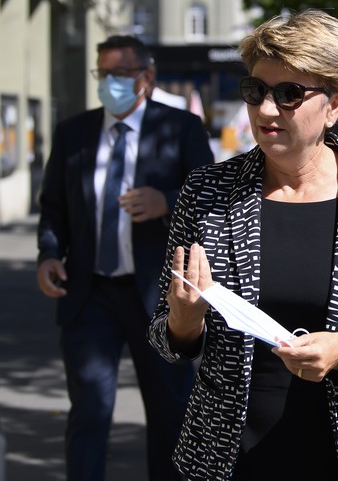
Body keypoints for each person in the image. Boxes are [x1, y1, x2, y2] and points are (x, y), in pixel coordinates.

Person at [147, 9, 338, 480]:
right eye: (256, 91)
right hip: (226, 457)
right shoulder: (206, 193)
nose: (265, 110)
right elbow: (164, 335)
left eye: (288, 95)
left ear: (335, 105)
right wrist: (182, 325)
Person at [36, 34, 215, 481]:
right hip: (89, 292)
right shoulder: (73, 133)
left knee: (171, 413)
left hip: (159, 298)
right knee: (90, 412)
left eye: (120, 74)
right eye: (103, 74)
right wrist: (49, 253)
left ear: (146, 78)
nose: (109, 84)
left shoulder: (181, 129)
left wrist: (166, 201)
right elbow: (54, 206)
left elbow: (211, 201)